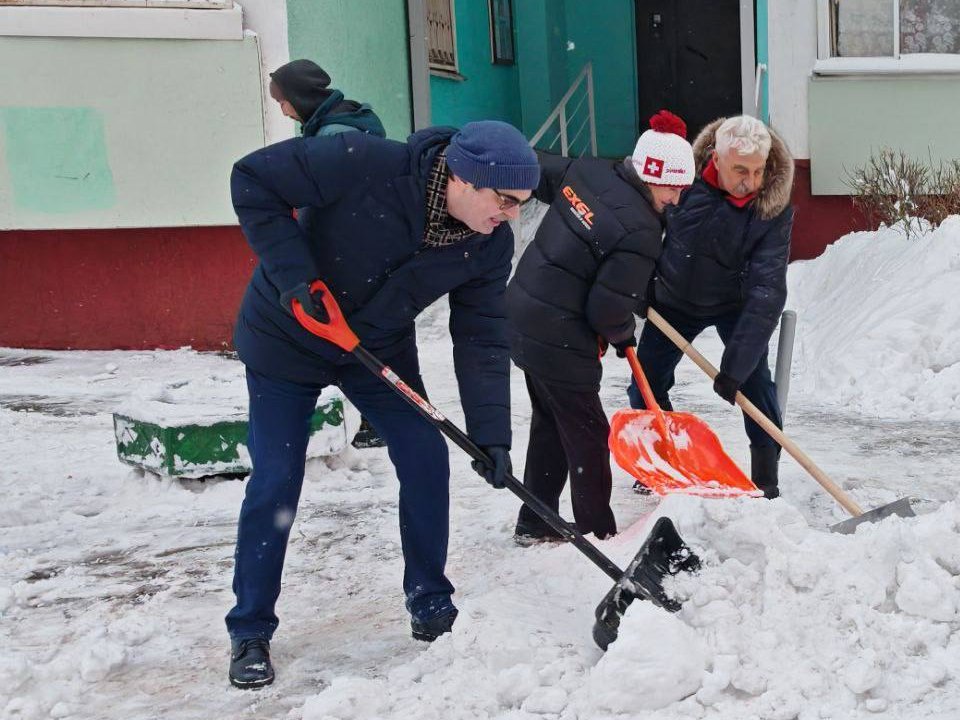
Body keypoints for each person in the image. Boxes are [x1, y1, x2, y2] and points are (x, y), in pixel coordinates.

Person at [226, 120, 539, 688]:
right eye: (506, 200)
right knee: (276, 479)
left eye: (521, 203)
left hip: (375, 348)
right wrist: (294, 278)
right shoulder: (361, 160)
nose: (512, 215)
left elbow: (482, 338)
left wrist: (492, 434)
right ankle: (250, 628)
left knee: (425, 455)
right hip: (286, 337)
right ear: (466, 179)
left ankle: (429, 599)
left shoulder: (488, 246)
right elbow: (252, 180)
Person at [506, 111, 695, 544]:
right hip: (558, 333)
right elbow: (605, 308)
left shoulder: (588, 170)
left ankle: (535, 521)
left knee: (551, 421)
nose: (676, 200)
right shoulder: (642, 229)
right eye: (673, 188)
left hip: (524, 310)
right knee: (589, 435)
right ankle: (597, 535)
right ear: (651, 175)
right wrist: (622, 331)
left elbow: (537, 168)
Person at [627, 115, 794, 500]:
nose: (750, 181)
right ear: (715, 161)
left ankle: (765, 481)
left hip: (735, 304)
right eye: (740, 169)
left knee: (756, 387)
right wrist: (639, 285)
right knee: (645, 384)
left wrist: (736, 367)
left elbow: (767, 287)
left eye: (757, 170)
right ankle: (663, 459)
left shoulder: (772, 206)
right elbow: (642, 229)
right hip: (672, 300)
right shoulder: (682, 181)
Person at [269, 58, 387, 448]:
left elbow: (322, 197)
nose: (282, 109)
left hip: (347, 247)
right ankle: (377, 417)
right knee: (369, 331)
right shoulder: (352, 119)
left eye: (283, 100)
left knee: (348, 334)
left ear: (300, 97)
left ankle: (373, 420)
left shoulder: (332, 135)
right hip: (369, 242)